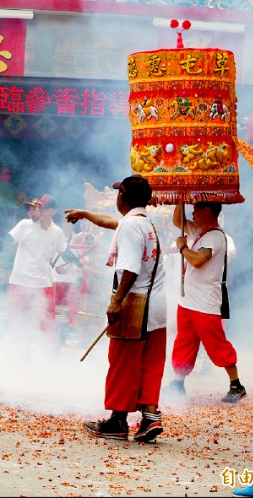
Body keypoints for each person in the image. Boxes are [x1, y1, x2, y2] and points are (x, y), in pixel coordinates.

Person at [65, 174, 167, 443]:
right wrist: (86, 214)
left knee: (122, 363)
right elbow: (113, 223)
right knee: (150, 364)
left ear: (122, 196)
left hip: (136, 303)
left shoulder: (132, 226)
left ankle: (117, 421)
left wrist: (116, 300)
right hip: (156, 307)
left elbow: (131, 267)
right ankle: (150, 418)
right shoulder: (143, 223)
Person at [164, 202, 246, 403]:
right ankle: (178, 382)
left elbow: (198, 260)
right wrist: (179, 201)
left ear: (208, 211)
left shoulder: (216, 236)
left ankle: (236, 384)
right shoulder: (200, 230)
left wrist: (182, 247)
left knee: (216, 343)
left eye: (196, 209)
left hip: (205, 302)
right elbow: (178, 221)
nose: (193, 213)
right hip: (188, 299)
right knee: (184, 342)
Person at [6, 194, 67, 351]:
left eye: (42, 208)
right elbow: (7, 240)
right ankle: (20, 354)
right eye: (37, 207)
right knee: (19, 321)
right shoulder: (25, 225)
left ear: (52, 211)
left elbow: (65, 252)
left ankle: (50, 355)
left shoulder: (57, 232)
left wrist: (79, 266)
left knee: (47, 321)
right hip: (20, 280)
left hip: (42, 282)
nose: (38, 211)